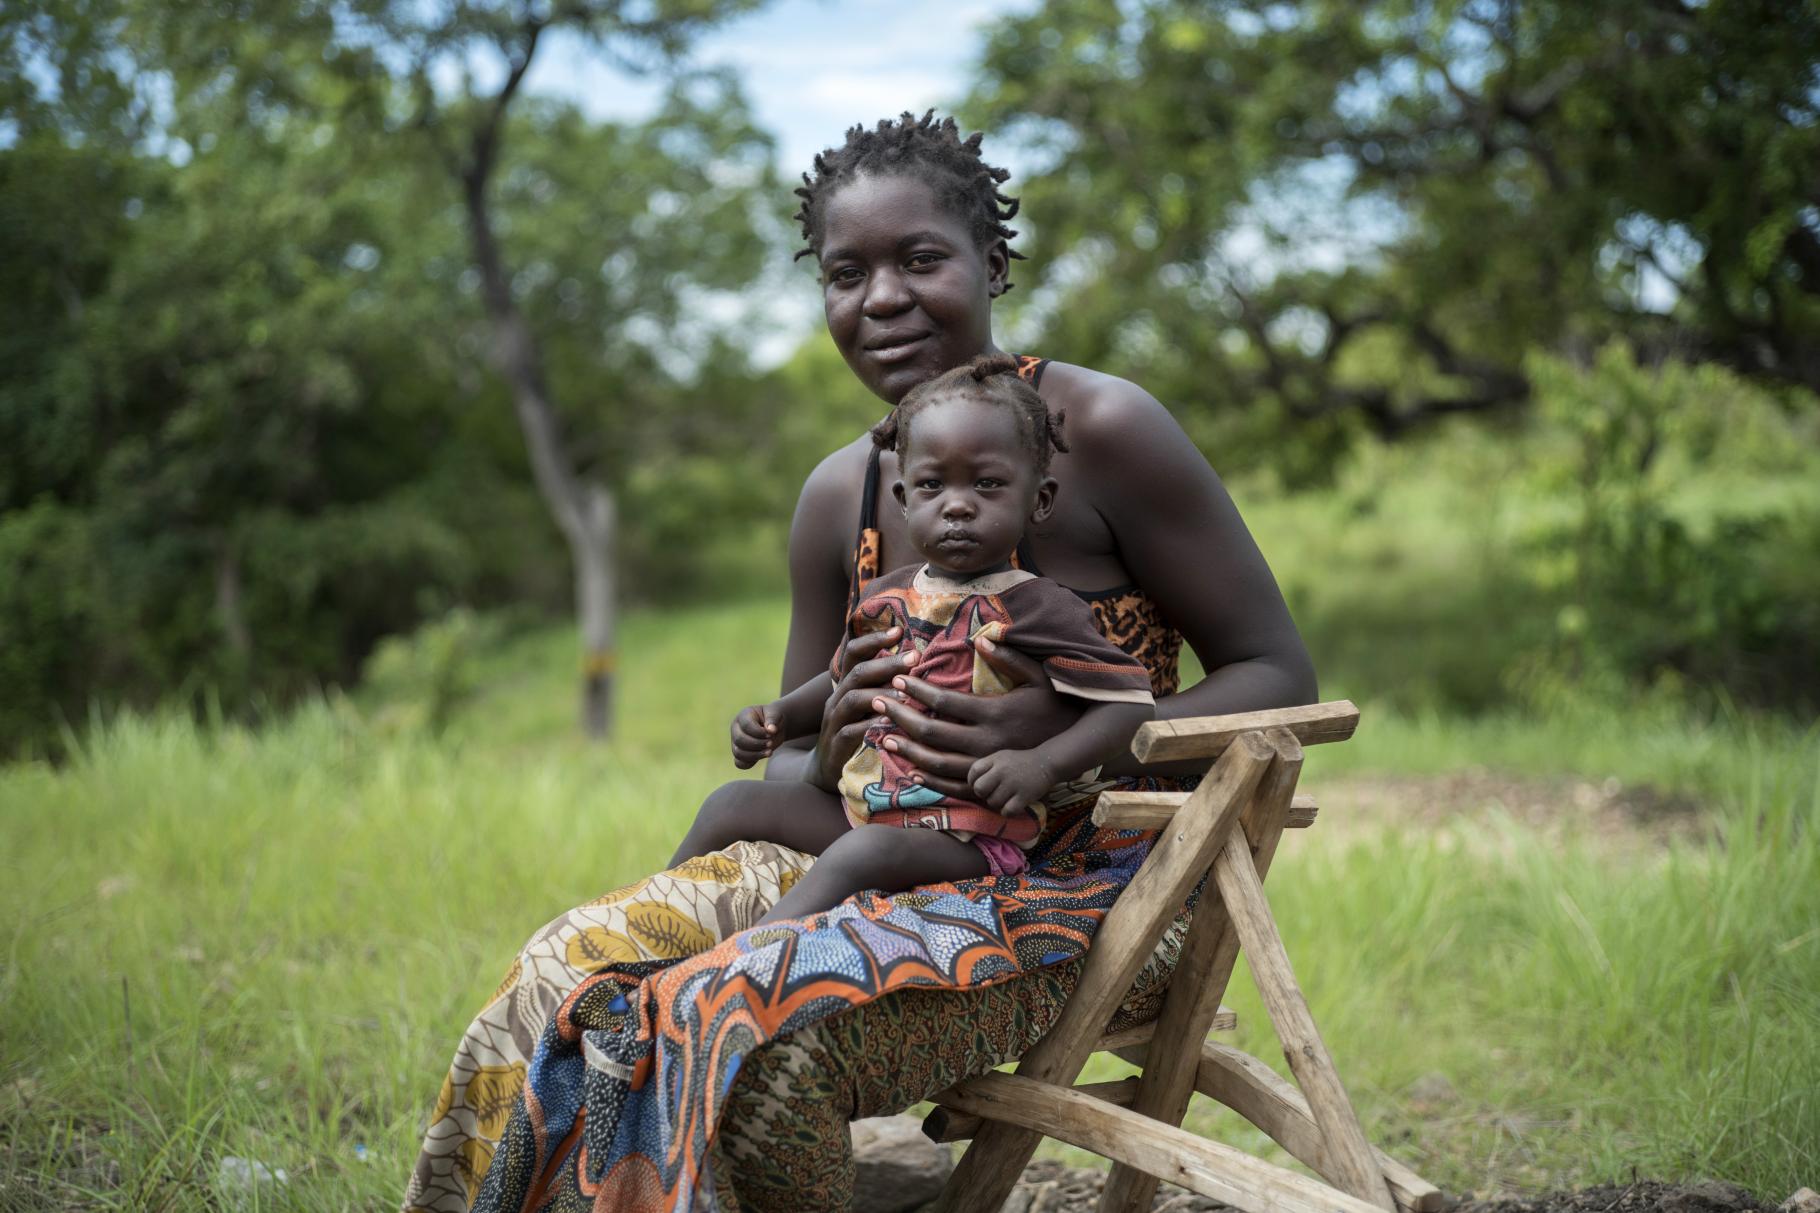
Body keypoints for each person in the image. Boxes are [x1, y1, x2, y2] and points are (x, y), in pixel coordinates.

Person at [404, 111, 1315, 1213]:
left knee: (763, 1053)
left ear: (991, 263)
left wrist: (1061, 738)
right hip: (870, 848)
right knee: (564, 970)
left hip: (1095, 886)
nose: (881, 297)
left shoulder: (1104, 431)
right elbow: (800, 775)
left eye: (918, 258)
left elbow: (1276, 675)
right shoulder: (841, 495)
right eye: (847, 272)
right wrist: (824, 739)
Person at [675, 355, 1155, 921]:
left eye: (988, 484)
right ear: (905, 502)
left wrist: (1044, 765)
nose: (957, 503)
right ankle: (653, 918)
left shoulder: (1038, 607)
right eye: (933, 485)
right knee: (731, 802)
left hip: (968, 835)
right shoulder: (889, 595)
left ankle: (736, 963)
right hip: (868, 806)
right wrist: (777, 714)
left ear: (1039, 499)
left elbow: (1129, 704)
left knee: (862, 854)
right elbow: (840, 681)